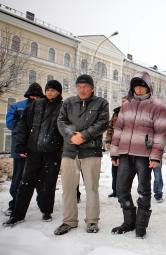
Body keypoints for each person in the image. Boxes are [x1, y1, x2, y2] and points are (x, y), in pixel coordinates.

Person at [110, 72, 166, 238]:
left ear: (148, 86)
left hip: (144, 155)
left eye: (142, 85)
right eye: (136, 85)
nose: (139, 89)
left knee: (143, 190)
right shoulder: (126, 105)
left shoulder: (158, 106)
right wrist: (114, 153)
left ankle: (141, 225)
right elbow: (118, 129)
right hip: (125, 154)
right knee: (121, 189)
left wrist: (156, 156)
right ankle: (129, 222)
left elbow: (160, 132)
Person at [54, 74, 109, 235]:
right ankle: (69, 221)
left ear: (92, 88)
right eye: (79, 87)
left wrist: (83, 135)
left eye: (85, 87)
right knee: (68, 188)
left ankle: (92, 221)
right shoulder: (68, 103)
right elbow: (61, 121)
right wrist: (71, 135)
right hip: (69, 152)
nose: (82, 90)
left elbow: (102, 123)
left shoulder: (101, 103)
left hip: (91, 151)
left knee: (92, 188)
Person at [3, 80, 63, 226]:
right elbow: (23, 125)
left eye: (53, 90)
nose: (50, 92)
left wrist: (61, 148)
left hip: (52, 152)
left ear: (59, 92)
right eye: (48, 89)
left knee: (48, 183)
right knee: (26, 183)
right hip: (33, 151)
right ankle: (18, 214)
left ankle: (46, 210)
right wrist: (20, 146)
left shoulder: (62, 107)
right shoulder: (36, 105)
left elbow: (64, 129)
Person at [4, 83, 44, 216]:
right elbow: (10, 124)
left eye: (38, 96)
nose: (35, 98)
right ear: (28, 94)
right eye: (33, 95)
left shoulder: (43, 106)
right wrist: (26, 130)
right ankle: (14, 203)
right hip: (20, 148)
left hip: (37, 148)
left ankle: (43, 204)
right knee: (18, 177)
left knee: (40, 177)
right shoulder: (16, 106)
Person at [105, 106, 121, 198]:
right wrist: (108, 141)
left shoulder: (132, 112)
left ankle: (122, 191)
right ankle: (115, 190)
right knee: (114, 168)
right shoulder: (116, 113)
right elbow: (110, 128)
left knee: (124, 171)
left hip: (126, 145)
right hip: (115, 144)